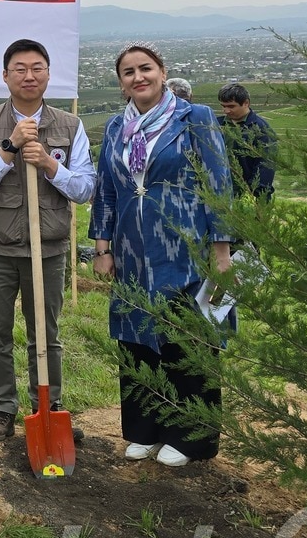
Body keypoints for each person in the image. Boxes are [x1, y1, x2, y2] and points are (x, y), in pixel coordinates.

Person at [90, 44, 232, 468]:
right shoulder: (117, 127)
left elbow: (218, 182)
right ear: (121, 82)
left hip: (186, 247)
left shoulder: (195, 118)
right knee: (137, 338)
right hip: (132, 249)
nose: (139, 77)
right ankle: (145, 430)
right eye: (129, 72)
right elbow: (107, 189)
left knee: (187, 337)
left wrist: (221, 250)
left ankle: (190, 437)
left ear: (163, 72)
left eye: (145, 68)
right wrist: (102, 246)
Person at [0, 40, 96, 443]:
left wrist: (51, 165)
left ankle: (48, 406)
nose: (29, 75)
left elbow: (86, 188)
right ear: (5, 76)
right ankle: (2, 409)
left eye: (37, 68)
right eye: (19, 68)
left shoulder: (69, 126)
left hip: (48, 246)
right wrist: (11, 148)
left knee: (46, 333)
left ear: (48, 75)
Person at [217, 82, 276, 201]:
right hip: (221, 193)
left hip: (249, 196)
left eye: (231, 106)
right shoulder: (217, 124)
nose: (226, 111)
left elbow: (265, 165)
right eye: (223, 106)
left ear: (246, 103)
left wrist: (255, 195)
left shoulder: (261, 130)